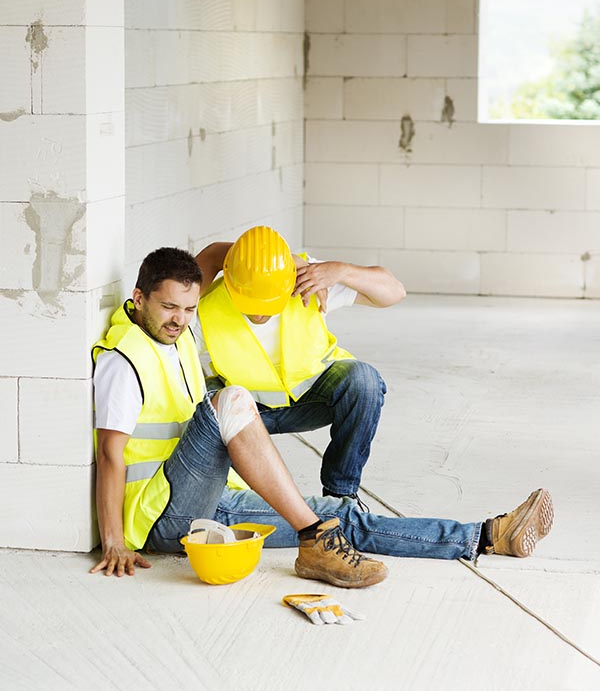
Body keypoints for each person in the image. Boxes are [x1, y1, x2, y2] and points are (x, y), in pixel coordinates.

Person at [91, 246, 554, 584]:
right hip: (162, 516)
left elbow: (209, 259)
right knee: (230, 399)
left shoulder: (179, 335)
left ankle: (488, 536)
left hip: (210, 497)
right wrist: (114, 541)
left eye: (188, 308)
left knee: (341, 520)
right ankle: (314, 535)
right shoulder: (123, 360)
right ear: (139, 296)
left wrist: (266, 257)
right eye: (169, 306)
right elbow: (111, 455)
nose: (180, 318)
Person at [195, 226, 406, 506]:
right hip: (246, 416)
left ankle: (340, 498)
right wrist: (250, 258)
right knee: (204, 403)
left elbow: (394, 292)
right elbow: (207, 260)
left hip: (311, 401)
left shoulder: (306, 279)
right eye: (249, 300)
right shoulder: (206, 305)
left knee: (364, 382)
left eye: (268, 302)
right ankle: (233, 499)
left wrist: (340, 270)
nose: (259, 311)